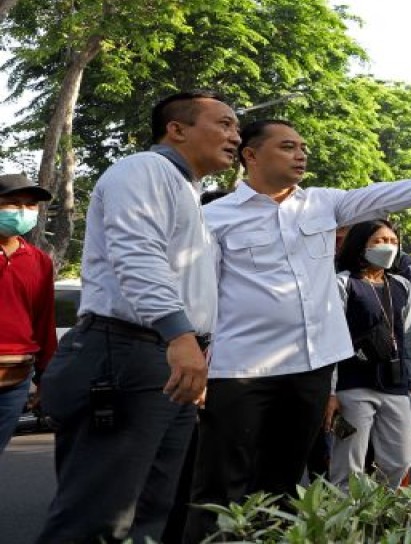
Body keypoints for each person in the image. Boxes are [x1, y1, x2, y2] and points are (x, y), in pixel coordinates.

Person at [183, 118, 411, 543]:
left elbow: (388, 193)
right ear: (251, 155)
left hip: (309, 369)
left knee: (284, 479)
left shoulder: (322, 204)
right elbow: (200, 295)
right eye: (287, 147)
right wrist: (194, 354)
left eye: (303, 147)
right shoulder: (215, 216)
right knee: (220, 479)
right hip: (239, 369)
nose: (301, 154)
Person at [36, 91, 240, 543]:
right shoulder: (144, 170)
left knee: (149, 516)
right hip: (127, 352)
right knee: (97, 521)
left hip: (162, 360)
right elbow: (138, 256)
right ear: (177, 129)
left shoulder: (188, 190)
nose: (234, 136)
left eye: (237, 128)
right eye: (224, 123)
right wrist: (180, 338)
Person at [327, 219, 411, 487]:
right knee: (349, 464)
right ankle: (345, 522)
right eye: (379, 241)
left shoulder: (401, 285)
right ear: (360, 246)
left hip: (395, 385)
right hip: (353, 385)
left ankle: (380, 515)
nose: (387, 246)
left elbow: (410, 336)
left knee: (399, 461)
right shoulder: (342, 283)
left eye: (392, 241)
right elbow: (329, 339)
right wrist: (329, 392)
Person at [0, 173, 55, 456]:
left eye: (30, 205)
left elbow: (44, 322)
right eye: (12, 203)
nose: (22, 211)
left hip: (16, 380)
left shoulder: (39, 261)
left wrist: (46, 378)